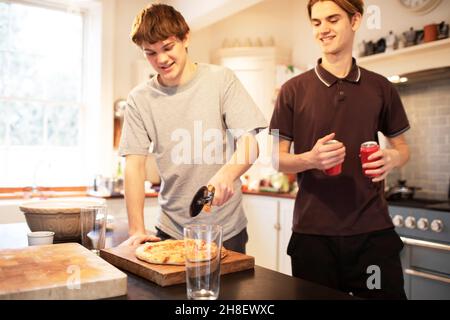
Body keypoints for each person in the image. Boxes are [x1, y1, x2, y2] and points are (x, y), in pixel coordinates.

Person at [270, 0, 410, 299]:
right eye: (317, 22)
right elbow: (276, 159)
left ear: (355, 20)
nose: (323, 29)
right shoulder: (292, 90)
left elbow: (402, 148)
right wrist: (310, 159)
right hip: (313, 237)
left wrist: (392, 158)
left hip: (372, 233)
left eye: (332, 19)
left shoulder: (381, 87)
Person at [118, 4, 267, 253]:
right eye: (150, 53)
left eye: (167, 47)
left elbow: (249, 144)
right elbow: (134, 165)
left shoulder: (221, 80)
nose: (161, 59)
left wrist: (227, 173)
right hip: (170, 231)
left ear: (185, 37)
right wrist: (137, 230)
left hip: (225, 230)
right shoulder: (139, 99)